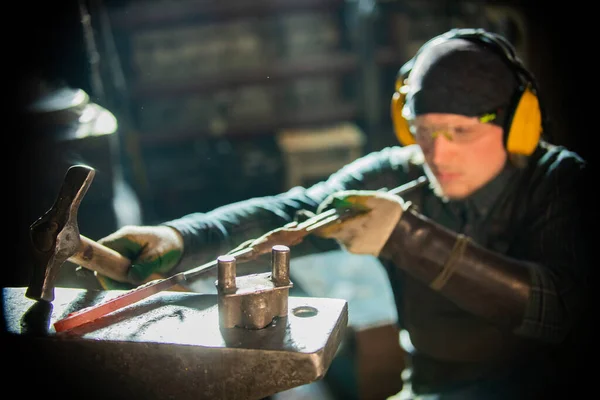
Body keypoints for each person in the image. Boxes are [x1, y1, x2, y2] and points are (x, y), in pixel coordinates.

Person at [94, 28, 592, 399]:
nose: (438, 156)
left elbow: (560, 310)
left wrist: (406, 236)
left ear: (518, 126)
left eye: (461, 132)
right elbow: (299, 212)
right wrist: (181, 238)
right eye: (424, 130)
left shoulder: (558, 182)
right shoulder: (399, 173)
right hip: (427, 384)